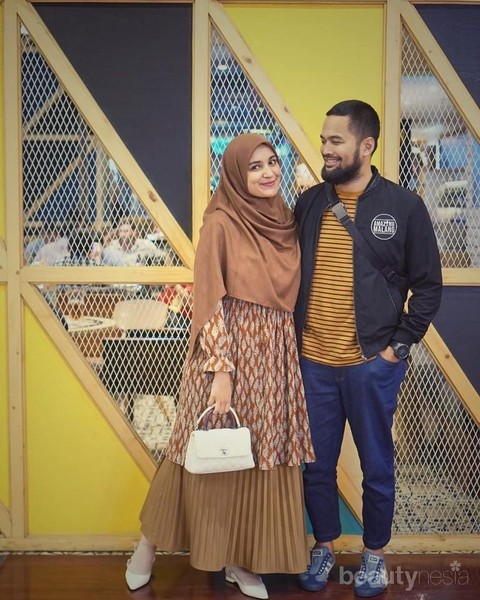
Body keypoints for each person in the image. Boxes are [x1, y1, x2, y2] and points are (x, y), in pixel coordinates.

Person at [125, 133, 315, 599]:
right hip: (227, 356)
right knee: (195, 456)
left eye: (272, 162)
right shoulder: (221, 224)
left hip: (273, 359)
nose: (268, 172)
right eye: (255, 166)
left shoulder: (285, 221)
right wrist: (222, 370)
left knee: (254, 459)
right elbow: (209, 301)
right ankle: (145, 548)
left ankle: (240, 561)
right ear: (234, 174)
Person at [294, 100, 442, 597]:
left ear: (366, 145)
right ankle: (324, 546)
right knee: (316, 466)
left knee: (376, 465)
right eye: (324, 140)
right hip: (313, 363)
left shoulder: (404, 207)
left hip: (371, 363)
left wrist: (396, 348)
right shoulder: (309, 204)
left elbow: (428, 287)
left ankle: (375, 555)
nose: (326, 149)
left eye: (336, 141)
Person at [102, 218, 167, 266]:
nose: (123, 234)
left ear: (134, 232)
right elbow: (105, 242)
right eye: (120, 231)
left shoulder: (144, 244)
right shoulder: (114, 245)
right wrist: (116, 230)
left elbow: (162, 255)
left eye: (126, 231)